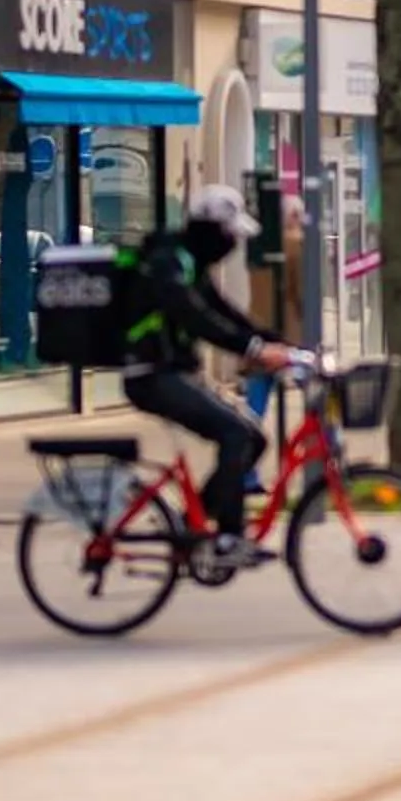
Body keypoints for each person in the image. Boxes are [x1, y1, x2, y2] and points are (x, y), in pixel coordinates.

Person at [122, 184, 294, 568]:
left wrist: (280, 344)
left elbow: (225, 312)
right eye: (230, 234)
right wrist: (252, 349)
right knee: (234, 434)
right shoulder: (168, 261)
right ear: (211, 229)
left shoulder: (192, 262)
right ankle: (228, 539)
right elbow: (194, 316)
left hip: (176, 373)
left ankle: (193, 527)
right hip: (151, 375)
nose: (233, 244)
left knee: (253, 438)